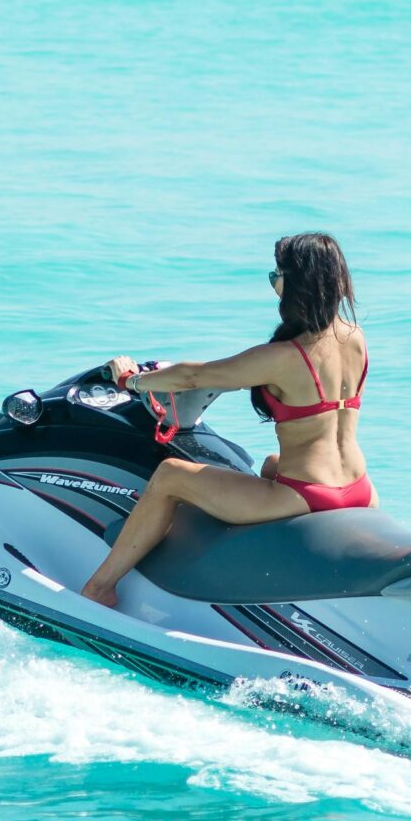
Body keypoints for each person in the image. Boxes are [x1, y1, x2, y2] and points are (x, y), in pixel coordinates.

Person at [79, 231, 374, 608]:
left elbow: (193, 377)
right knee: (270, 464)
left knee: (170, 474)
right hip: (357, 486)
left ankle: (100, 587)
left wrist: (131, 379)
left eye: (277, 276)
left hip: (306, 494)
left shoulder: (285, 357)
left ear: (298, 283)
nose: (274, 284)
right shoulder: (356, 338)